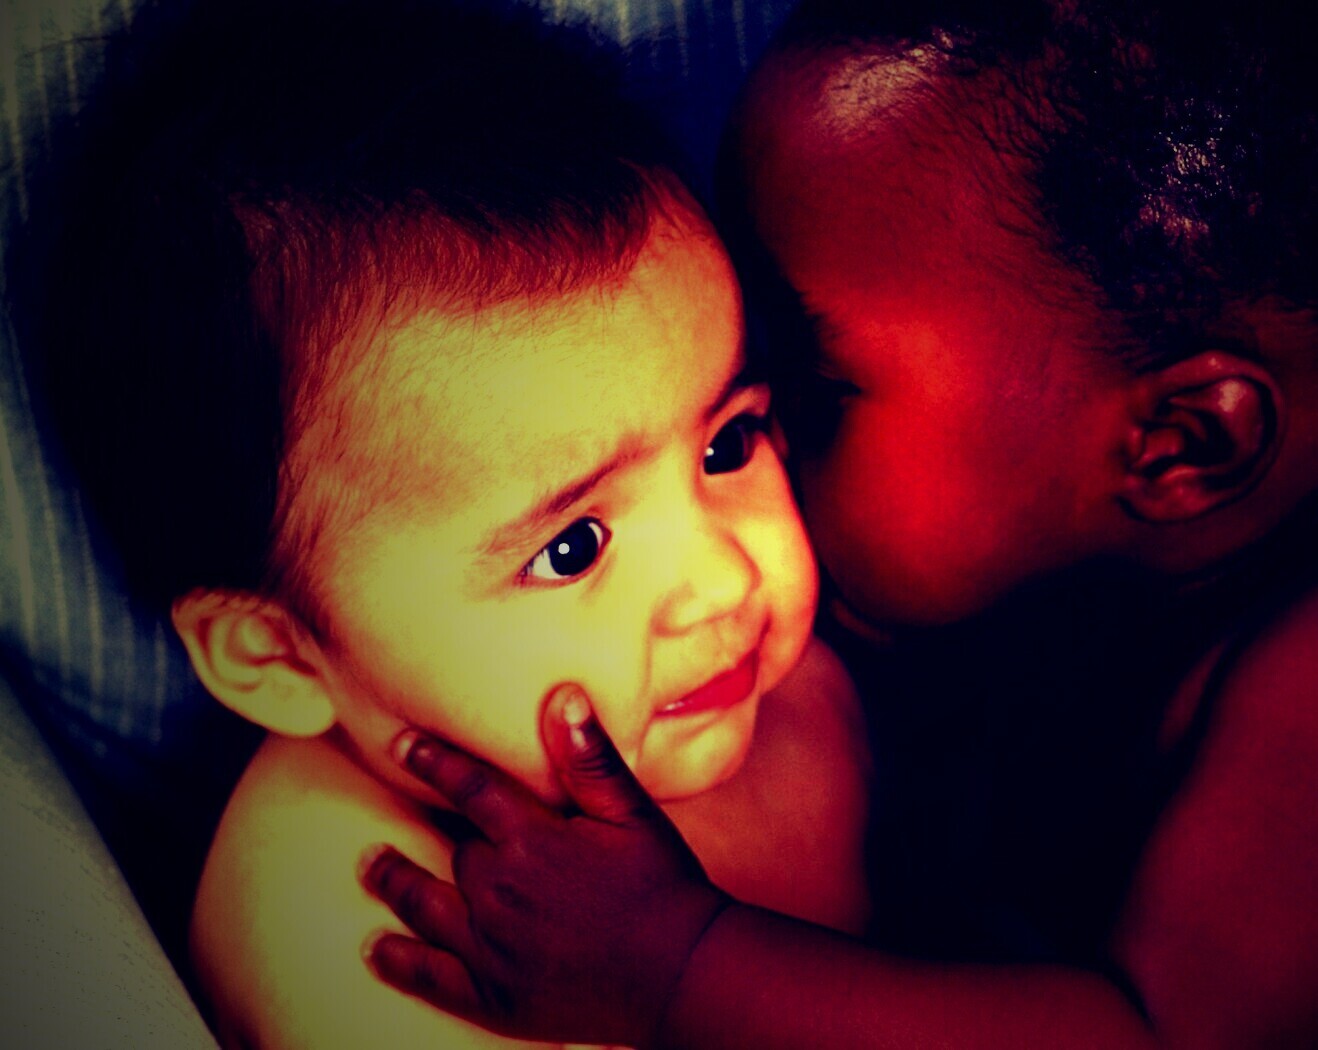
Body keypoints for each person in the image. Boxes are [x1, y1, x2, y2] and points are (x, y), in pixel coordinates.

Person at [358, 0, 1318, 1045]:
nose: (747, 425)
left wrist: (678, 963)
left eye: (809, 380)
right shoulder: (1066, 555)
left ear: (1179, 444)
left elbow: (1153, 1037)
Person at [5, 0, 869, 1046]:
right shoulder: (353, 908)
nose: (725, 580)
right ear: (279, 653)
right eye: (571, 549)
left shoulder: (790, 689)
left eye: (726, 446)